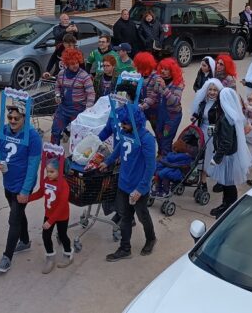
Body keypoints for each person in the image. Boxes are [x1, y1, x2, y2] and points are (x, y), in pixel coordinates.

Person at [101, 103, 157, 261]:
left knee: (142, 216)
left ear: (134, 122)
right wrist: (108, 161)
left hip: (138, 187)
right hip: (123, 184)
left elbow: (151, 167)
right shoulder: (126, 133)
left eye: (125, 123)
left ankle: (151, 238)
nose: (122, 126)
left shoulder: (147, 139)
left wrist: (140, 189)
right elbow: (119, 148)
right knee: (125, 217)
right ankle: (125, 248)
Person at [0, 103, 42, 273]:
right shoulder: (4, 130)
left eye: (17, 118)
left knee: (13, 219)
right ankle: (25, 241)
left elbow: (33, 165)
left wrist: (25, 190)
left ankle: (7, 257)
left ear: (25, 118)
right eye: (10, 117)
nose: (12, 121)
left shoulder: (33, 137)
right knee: (18, 213)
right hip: (8, 180)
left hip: (22, 184)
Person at [205, 87, 252, 217]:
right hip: (231, 154)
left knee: (228, 183)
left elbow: (226, 142)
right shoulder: (233, 115)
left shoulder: (226, 119)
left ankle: (228, 206)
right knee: (227, 182)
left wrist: (216, 158)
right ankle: (227, 204)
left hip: (227, 156)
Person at [28, 155, 73, 274]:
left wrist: (50, 221)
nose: (49, 174)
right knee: (46, 236)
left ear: (60, 171)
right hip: (49, 213)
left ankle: (68, 253)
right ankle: (50, 257)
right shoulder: (46, 180)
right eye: (47, 171)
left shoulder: (64, 185)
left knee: (63, 235)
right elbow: (40, 193)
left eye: (52, 172)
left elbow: (62, 205)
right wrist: (27, 198)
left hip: (61, 216)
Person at [140, 58, 184, 155]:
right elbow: (153, 97)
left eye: (166, 69)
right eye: (162, 68)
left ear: (172, 70)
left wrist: (165, 88)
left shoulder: (178, 83)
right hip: (161, 113)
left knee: (166, 138)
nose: (163, 71)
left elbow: (175, 102)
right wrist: (143, 106)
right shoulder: (159, 80)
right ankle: (161, 154)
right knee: (159, 135)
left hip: (172, 116)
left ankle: (165, 159)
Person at [52, 48, 95, 146]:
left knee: (78, 136)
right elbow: (57, 86)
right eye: (72, 64)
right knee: (55, 131)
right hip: (63, 109)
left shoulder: (84, 76)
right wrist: (57, 95)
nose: (75, 65)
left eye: (77, 63)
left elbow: (91, 93)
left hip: (78, 110)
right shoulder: (61, 74)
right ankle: (54, 152)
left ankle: (74, 153)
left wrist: (88, 108)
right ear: (67, 64)